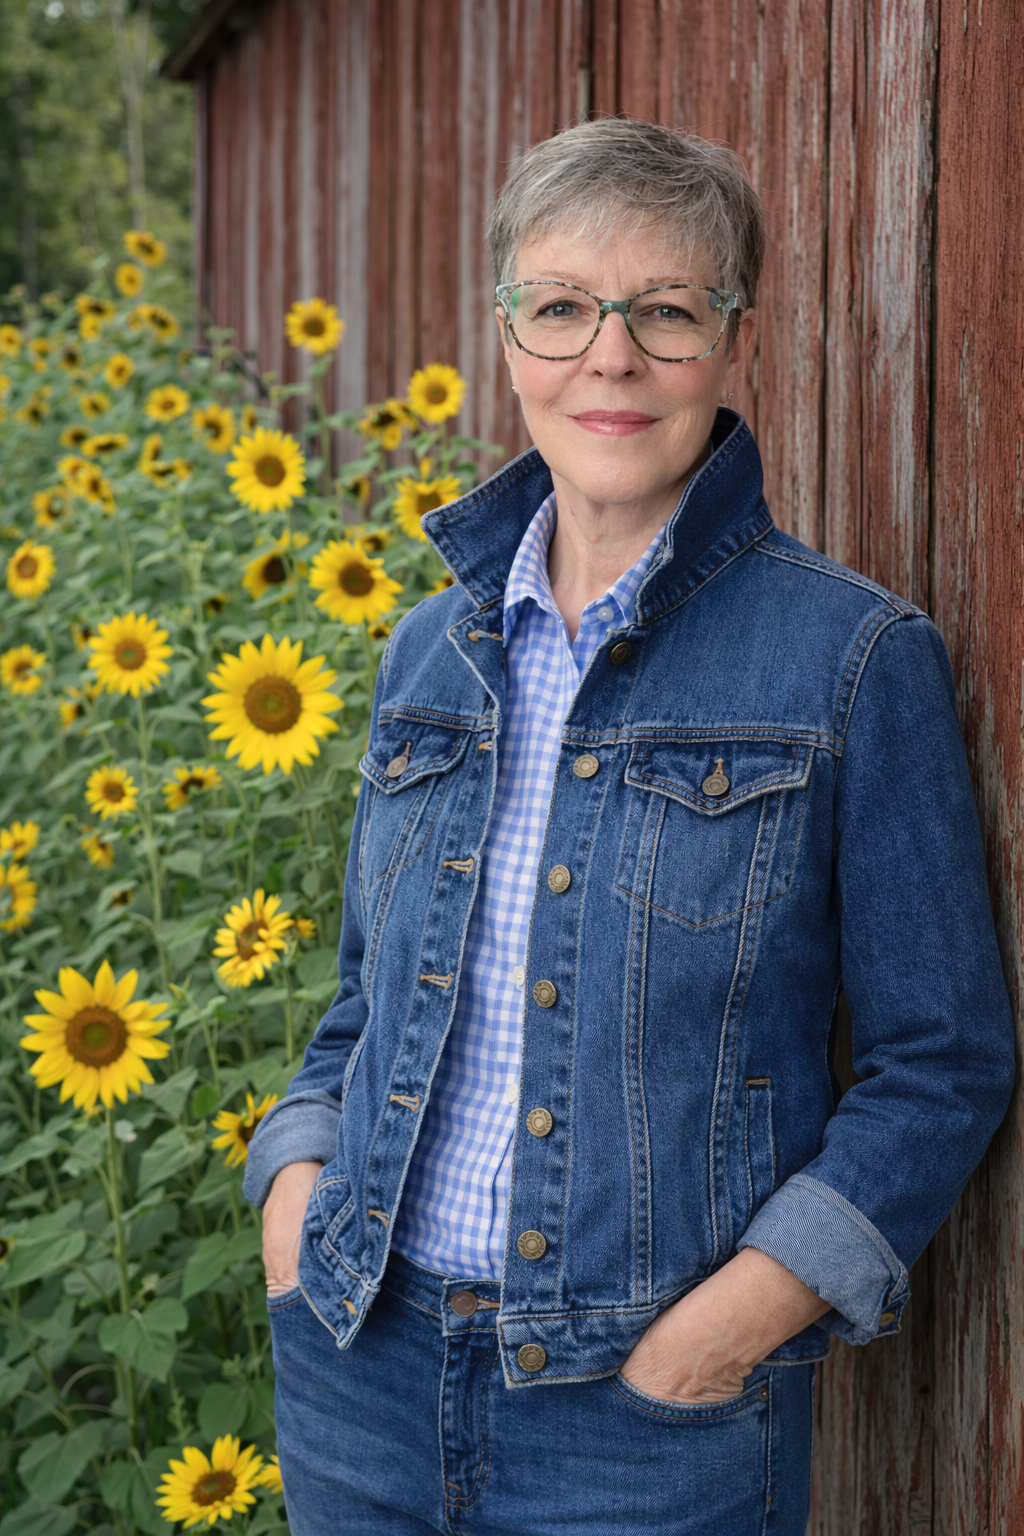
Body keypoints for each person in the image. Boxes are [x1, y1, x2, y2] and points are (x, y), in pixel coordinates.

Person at [243, 119, 1014, 1535]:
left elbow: (942, 1063)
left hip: (645, 1428)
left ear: (733, 339)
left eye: (665, 310)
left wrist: (714, 1339)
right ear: (509, 335)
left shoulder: (849, 662)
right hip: (358, 1370)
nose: (612, 357)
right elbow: (363, 997)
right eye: (563, 308)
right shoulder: (430, 650)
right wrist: (294, 1197)